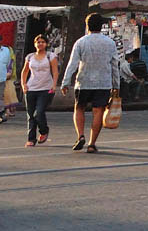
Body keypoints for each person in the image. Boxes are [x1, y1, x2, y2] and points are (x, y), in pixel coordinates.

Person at [61, 12, 120, 153]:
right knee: (98, 111)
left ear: (87, 26)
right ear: (102, 26)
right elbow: (115, 65)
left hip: (83, 82)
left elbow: (72, 63)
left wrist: (65, 82)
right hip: (103, 83)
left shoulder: (81, 42)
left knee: (79, 108)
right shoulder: (110, 43)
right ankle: (92, 143)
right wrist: (116, 85)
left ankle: (80, 135)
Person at [19, 34, 58, 147]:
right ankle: (31, 138)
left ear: (46, 44)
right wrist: (24, 84)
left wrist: (54, 85)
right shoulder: (30, 57)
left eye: (42, 42)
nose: (40, 44)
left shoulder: (50, 56)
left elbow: (55, 72)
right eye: (38, 42)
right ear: (35, 44)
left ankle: (44, 130)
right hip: (31, 88)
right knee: (30, 114)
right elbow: (25, 71)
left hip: (46, 88)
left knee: (39, 112)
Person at [0, 41, 14, 123]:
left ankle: (1, 113)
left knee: (0, 96)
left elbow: (9, 63)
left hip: (1, 77)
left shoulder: (6, 50)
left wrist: (9, 72)